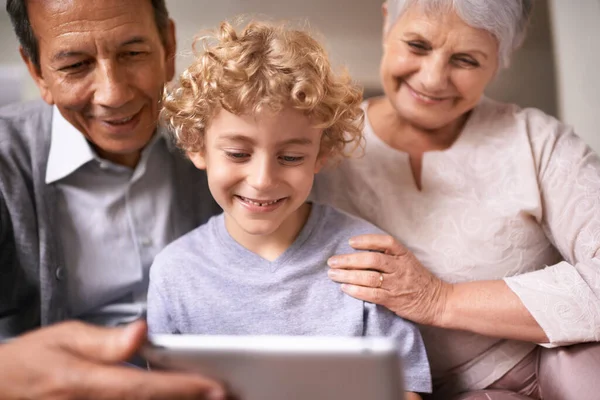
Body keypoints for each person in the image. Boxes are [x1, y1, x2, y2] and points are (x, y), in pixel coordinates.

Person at [312, 0, 600, 399]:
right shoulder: (315, 146)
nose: (432, 79)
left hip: (555, 371)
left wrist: (441, 301)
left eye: (465, 60)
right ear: (386, 25)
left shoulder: (539, 143)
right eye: (417, 45)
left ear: (500, 59)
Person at [146, 20, 432, 398]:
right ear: (197, 146)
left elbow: (408, 388)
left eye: (291, 156)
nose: (263, 179)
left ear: (322, 152)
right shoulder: (175, 273)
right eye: (238, 154)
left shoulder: (365, 258)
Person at [0, 0, 224, 398]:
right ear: (38, 72)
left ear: (168, 47)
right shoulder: (5, 164)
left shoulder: (226, 142)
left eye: (133, 53)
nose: (114, 94)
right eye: (74, 65)